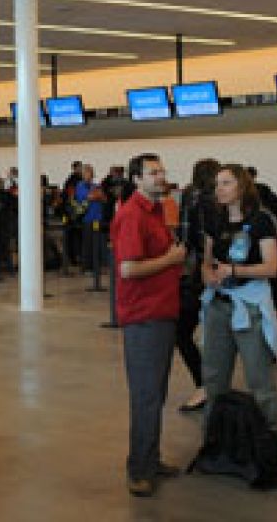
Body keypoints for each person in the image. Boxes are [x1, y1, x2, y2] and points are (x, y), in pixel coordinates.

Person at [111, 153, 186, 497]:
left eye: (162, 171)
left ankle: (151, 459)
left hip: (163, 312)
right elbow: (128, 269)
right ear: (136, 179)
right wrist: (170, 259)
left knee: (155, 394)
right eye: (153, 173)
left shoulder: (157, 212)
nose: (161, 177)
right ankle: (139, 469)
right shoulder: (131, 216)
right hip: (144, 316)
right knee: (145, 395)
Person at [200, 164, 277, 432]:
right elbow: (207, 260)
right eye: (217, 184)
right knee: (213, 377)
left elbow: (272, 267)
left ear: (242, 186)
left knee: (259, 379)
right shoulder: (215, 219)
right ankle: (213, 438)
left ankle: (268, 440)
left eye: (226, 183)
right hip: (218, 304)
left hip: (249, 306)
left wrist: (236, 270)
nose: (219, 189)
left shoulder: (261, 220)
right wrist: (207, 274)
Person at [175, 159, 221, 412]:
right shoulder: (216, 201)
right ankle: (213, 385)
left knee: (183, 332)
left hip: (198, 276)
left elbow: (187, 239)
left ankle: (205, 385)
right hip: (220, 273)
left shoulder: (192, 198)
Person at [76, 164, 106, 270]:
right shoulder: (80, 186)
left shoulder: (95, 185)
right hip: (88, 218)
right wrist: (95, 195)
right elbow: (88, 197)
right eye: (86, 173)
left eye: (90, 172)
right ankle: (87, 265)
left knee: (98, 242)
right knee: (88, 242)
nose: (89, 175)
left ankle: (98, 263)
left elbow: (102, 197)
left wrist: (96, 195)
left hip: (98, 217)